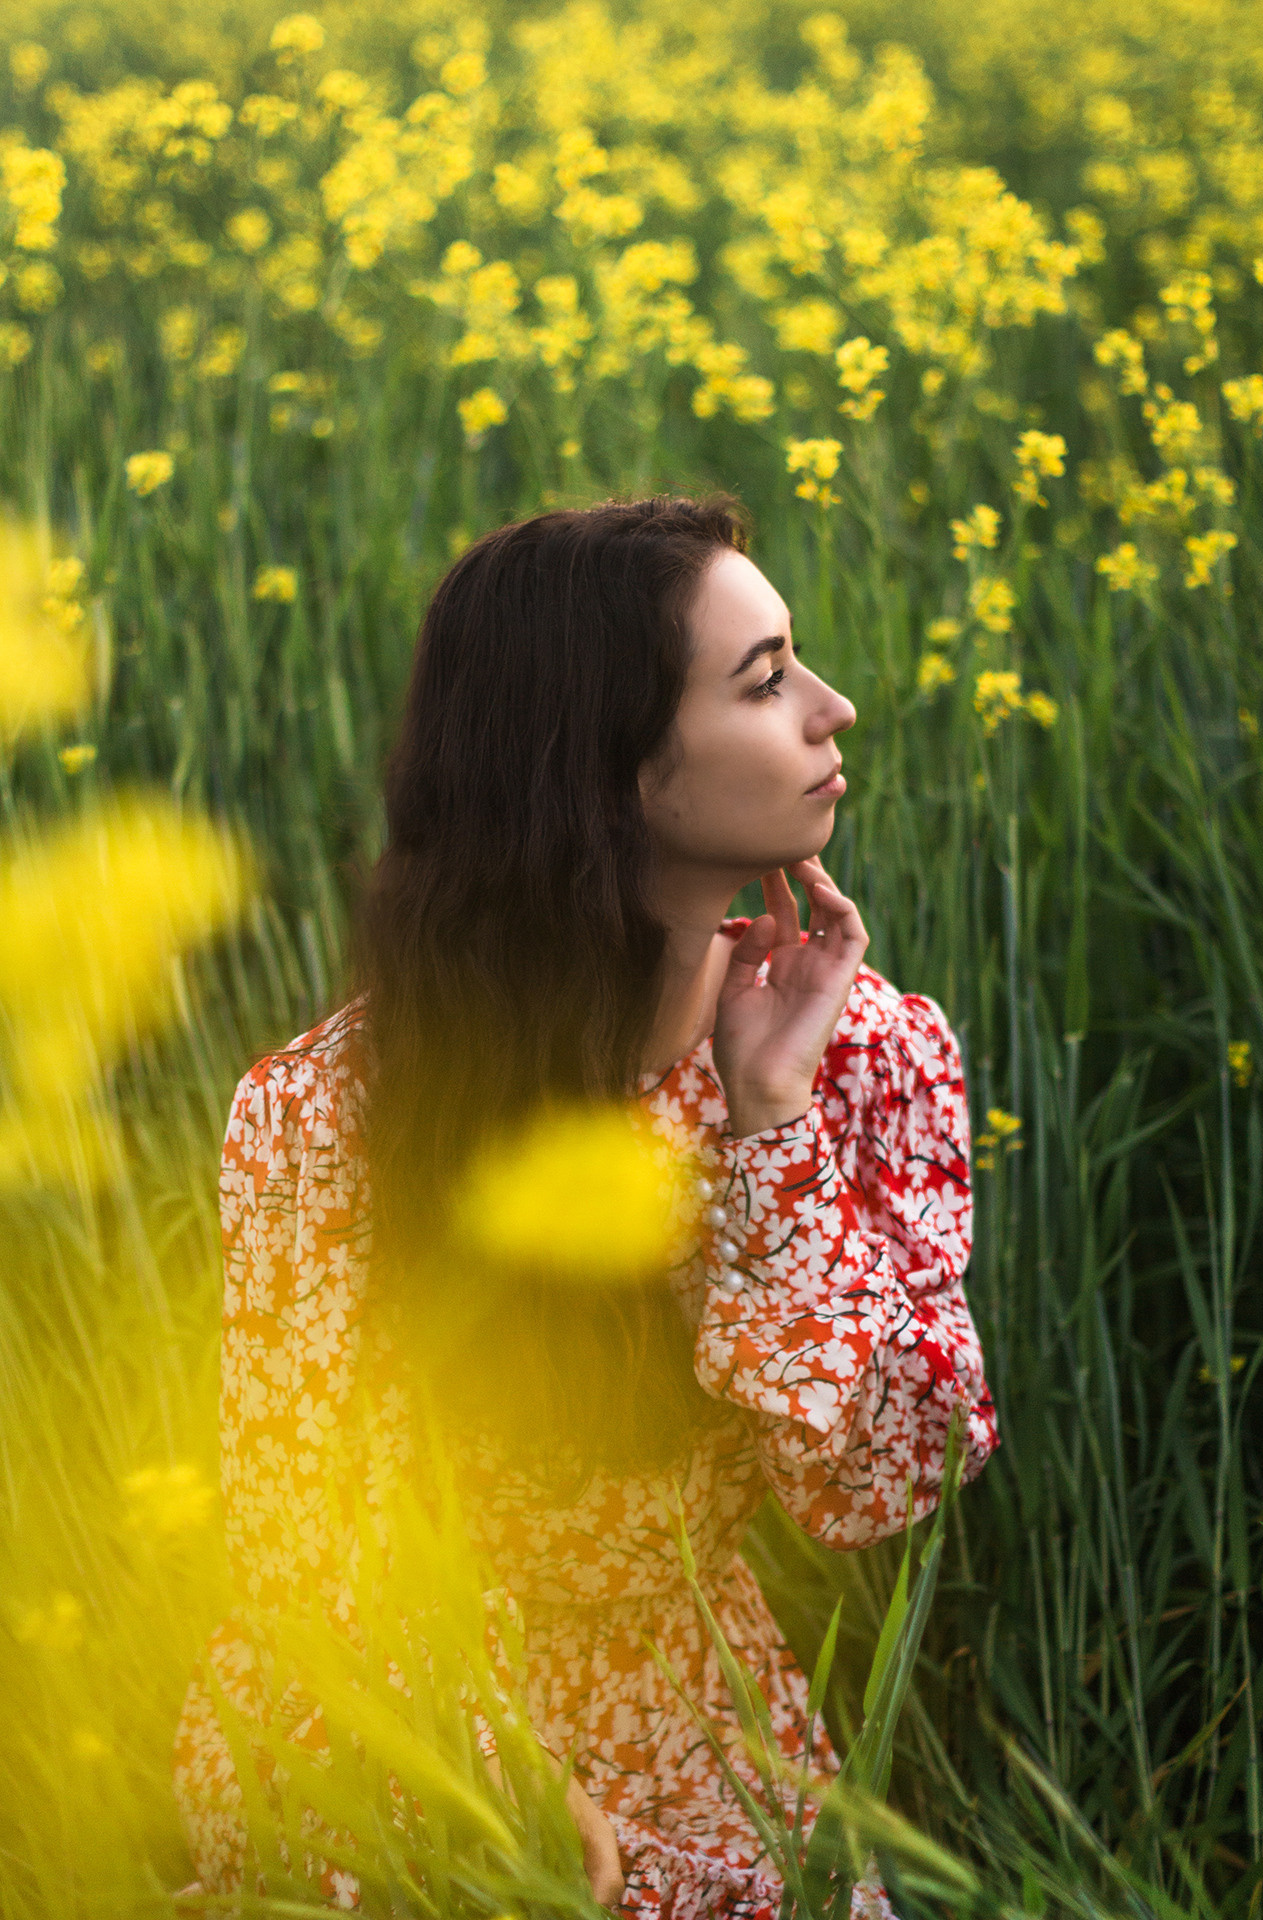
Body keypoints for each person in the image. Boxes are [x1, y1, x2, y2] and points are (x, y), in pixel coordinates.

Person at [174, 495, 997, 1917]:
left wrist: (770, 1132)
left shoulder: (865, 1053)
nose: (835, 708)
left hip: (693, 1708)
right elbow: (302, 1548)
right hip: (392, 1701)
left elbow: (883, 1485)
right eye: (766, 679)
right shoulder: (326, 1117)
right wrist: (492, 1779)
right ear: (606, 770)